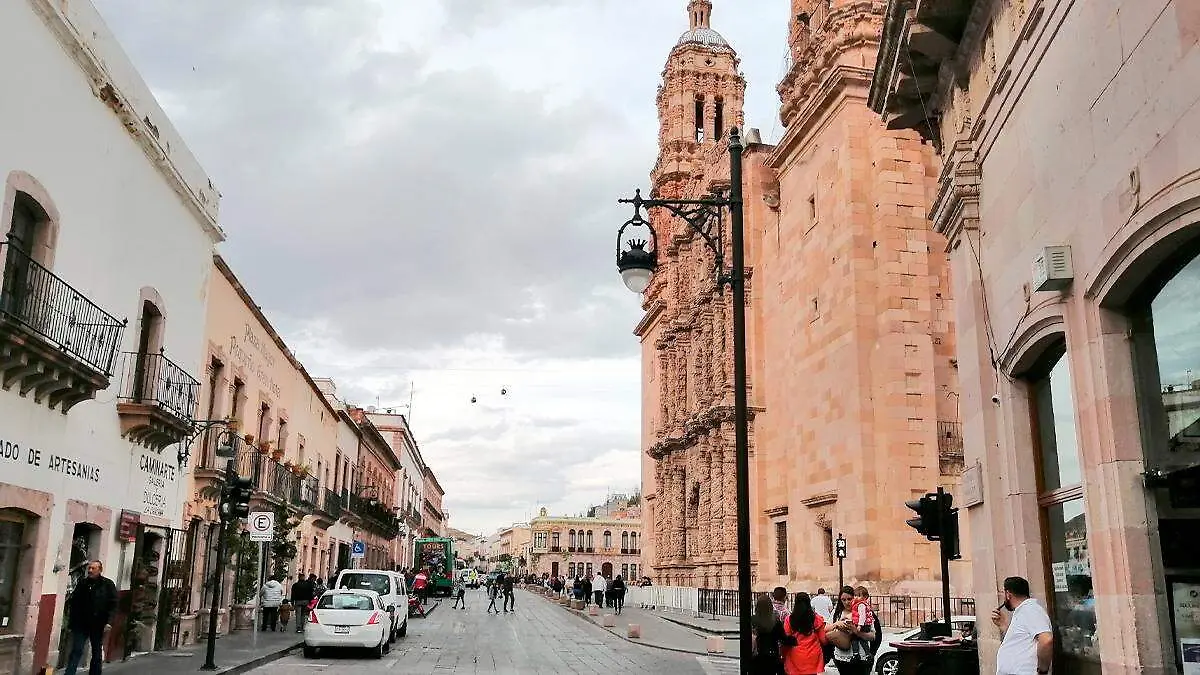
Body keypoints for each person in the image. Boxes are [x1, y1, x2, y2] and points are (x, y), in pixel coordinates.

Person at [64, 560, 117, 675]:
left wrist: (109, 622)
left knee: (96, 652)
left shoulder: (107, 584)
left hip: (98, 623)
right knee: (76, 650)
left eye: (93, 568)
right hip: (81, 623)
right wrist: (72, 622)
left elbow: (113, 604)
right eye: (89, 568)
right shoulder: (82, 584)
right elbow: (75, 604)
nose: (90, 570)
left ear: (100, 570)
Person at [992, 576, 1053, 675]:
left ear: (1008, 594)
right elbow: (1021, 640)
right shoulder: (1023, 610)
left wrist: (1042, 670)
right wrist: (1003, 625)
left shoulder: (1031, 609)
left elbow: (1046, 640)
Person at [828, 585, 875, 675]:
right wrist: (836, 624)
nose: (847, 602)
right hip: (841, 658)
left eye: (850, 599)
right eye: (843, 600)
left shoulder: (864, 611)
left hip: (861, 659)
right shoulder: (837, 612)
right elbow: (826, 629)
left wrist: (857, 631)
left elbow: (872, 636)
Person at [782, 592, 826, 675]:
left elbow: (786, 639)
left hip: (795, 656)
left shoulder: (789, 619)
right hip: (813, 656)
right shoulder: (816, 618)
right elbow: (823, 640)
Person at [750, 595, 788, 675]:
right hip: (772, 655)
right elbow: (783, 638)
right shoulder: (775, 621)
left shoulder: (753, 620)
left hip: (757, 655)